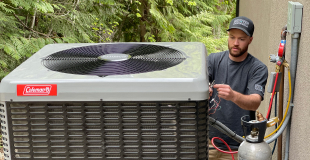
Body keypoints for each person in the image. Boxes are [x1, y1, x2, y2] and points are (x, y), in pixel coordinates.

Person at [208, 16, 268, 159]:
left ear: (250, 40)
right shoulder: (213, 60)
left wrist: (233, 96)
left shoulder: (257, 68)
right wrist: (205, 89)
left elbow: (255, 102)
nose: (235, 43)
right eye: (232, 37)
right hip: (209, 142)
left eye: (241, 39)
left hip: (238, 146)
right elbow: (199, 82)